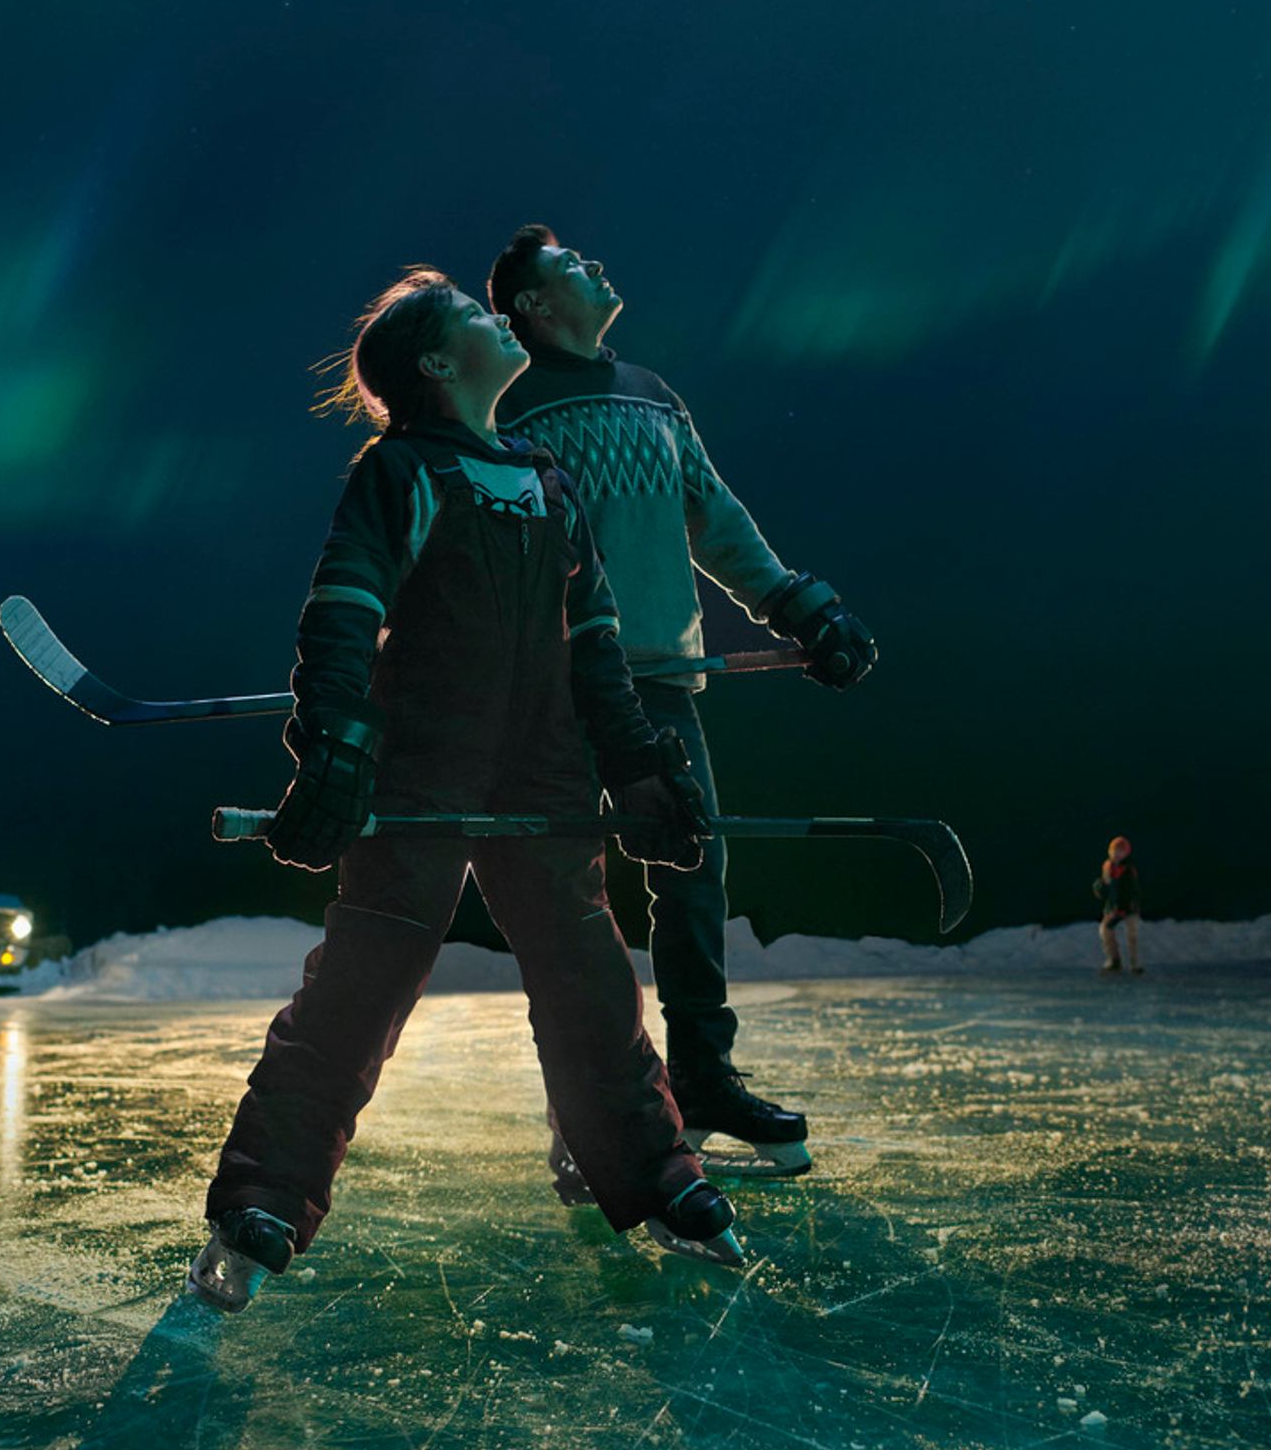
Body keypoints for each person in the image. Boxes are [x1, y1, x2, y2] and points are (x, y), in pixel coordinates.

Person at [190, 270, 742, 1313]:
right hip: (423, 761)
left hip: (543, 767)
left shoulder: (547, 483)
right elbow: (343, 610)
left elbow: (597, 653)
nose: (502, 322)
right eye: (479, 318)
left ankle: (657, 1171)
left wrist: (639, 768)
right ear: (440, 365)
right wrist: (338, 745)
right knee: (369, 969)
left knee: (587, 972)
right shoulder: (401, 471)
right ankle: (264, 1194)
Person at [486, 224, 877, 1189]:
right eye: (570, 264)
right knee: (573, 904)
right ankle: (590, 1112)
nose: (596, 265)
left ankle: (701, 1080)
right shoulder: (507, 410)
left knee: (695, 882)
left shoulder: (652, 395)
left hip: (663, 683)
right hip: (561, 687)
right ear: (533, 307)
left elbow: (715, 515)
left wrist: (799, 603)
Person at [1094, 836, 1143, 974]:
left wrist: (1125, 907)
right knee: (1105, 930)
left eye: (1120, 851)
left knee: (1132, 935)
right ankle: (1114, 960)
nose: (1117, 854)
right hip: (1113, 908)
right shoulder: (1107, 867)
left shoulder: (1129, 869)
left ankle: (1135, 964)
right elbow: (1106, 890)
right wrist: (1100, 887)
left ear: (1126, 853)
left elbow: (1131, 891)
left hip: (1129, 907)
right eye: (1114, 850)